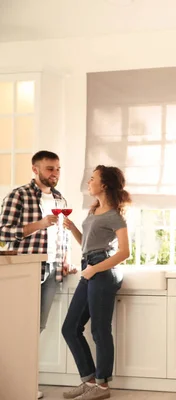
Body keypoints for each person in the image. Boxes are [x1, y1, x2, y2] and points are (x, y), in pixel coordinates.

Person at [0, 150, 73, 399]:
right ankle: (16, 385)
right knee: (19, 327)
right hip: (27, 269)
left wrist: (65, 260)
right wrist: (40, 224)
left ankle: (27, 383)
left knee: (36, 328)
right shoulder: (19, 195)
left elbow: (62, 234)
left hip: (52, 270)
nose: (55, 174)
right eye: (50, 169)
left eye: (58, 169)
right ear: (35, 169)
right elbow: (4, 233)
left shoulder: (60, 198)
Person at [61, 166, 130, 400]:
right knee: (70, 328)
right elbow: (87, 246)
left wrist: (94, 269)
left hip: (102, 271)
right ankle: (89, 381)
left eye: (93, 179)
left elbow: (124, 252)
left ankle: (102, 387)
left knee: (100, 330)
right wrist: (72, 230)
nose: (89, 182)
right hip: (89, 268)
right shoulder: (93, 211)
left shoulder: (115, 216)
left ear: (104, 185)